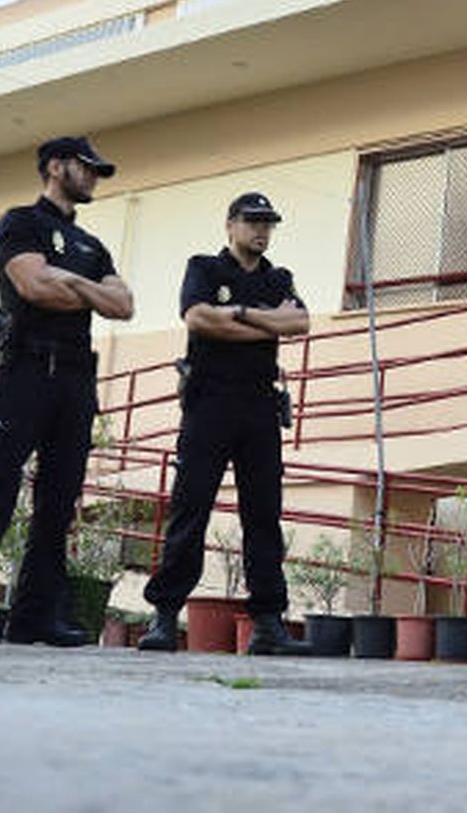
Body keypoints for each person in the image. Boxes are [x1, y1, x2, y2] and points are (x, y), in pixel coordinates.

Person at [0, 136, 134, 646]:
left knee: (58, 501)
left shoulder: (92, 246)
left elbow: (124, 306)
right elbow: (33, 286)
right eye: (86, 167)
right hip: (23, 371)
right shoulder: (20, 223)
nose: (94, 176)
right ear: (55, 168)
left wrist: (69, 282)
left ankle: (34, 615)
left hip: (75, 380)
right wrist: (87, 290)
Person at [137, 192, 313, 655]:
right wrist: (261, 321)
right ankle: (164, 617)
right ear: (230, 225)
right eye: (252, 221)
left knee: (263, 515)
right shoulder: (205, 268)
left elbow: (298, 323)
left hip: (258, 404)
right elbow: (197, 317)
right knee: (190, 508)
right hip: (209, 401)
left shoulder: (279, 277)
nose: (261, 230)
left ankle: (269, 624)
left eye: (267, 223)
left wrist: (234, 315)